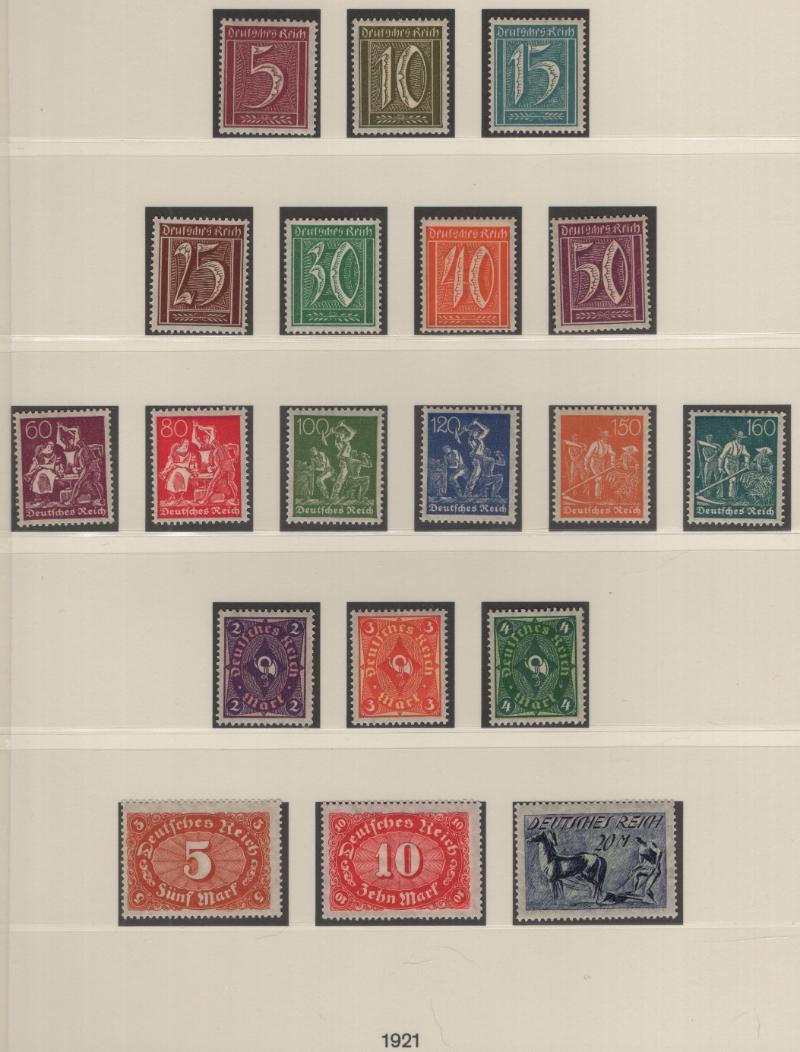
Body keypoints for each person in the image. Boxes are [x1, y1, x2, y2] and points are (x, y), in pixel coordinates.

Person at [584, 430, 616, 499]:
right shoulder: (595, 444)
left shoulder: (608, 445)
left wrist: (612, 463)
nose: (607, 439)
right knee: (599, 478)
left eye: (607, 437)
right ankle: (597, 496)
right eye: (606, 437)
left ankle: (601, 495)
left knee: (603, 479)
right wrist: (586, 466)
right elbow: (588, 455)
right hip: (594, 463)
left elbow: (612, 454)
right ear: (602, 437)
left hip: (602, 464)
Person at [718, 430, 750, 499]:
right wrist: (720, 467)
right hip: (728, 463)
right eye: (739, 438)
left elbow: (747, 455)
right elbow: (722, 456)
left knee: (736, 480)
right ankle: (728, 497)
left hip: (736, 464)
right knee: (732, 479)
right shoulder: (729, 444)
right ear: (737, 437)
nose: (741, 439)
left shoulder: (742, 446)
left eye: (742, 438)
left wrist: (746, 463)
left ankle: (733, 496)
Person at [630, 838, 662, 902]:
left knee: (647, 890)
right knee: (636, 874)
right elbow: (640, 863)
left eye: (639, 840)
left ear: (641, 839)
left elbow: (659, 852)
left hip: (655, 871)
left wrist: (656, 866)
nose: (638, 842)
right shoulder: (640, 849)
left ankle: (653, 902)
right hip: (648, 869)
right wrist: (633, 869)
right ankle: (634, 891)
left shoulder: (650, 844)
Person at [698, 434, 722, 499]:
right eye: (708, 438)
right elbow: (707, 459)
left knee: (718, 479)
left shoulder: (716, 445)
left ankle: (719, 495)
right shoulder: (704, 448)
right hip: (708, 464)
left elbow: (721, 450)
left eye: (711, 438)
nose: (709, 439)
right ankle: (706, 495)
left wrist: (718, 448)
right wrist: (715, 454)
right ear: (706, 439)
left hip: (716, 463)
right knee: (707, 480)